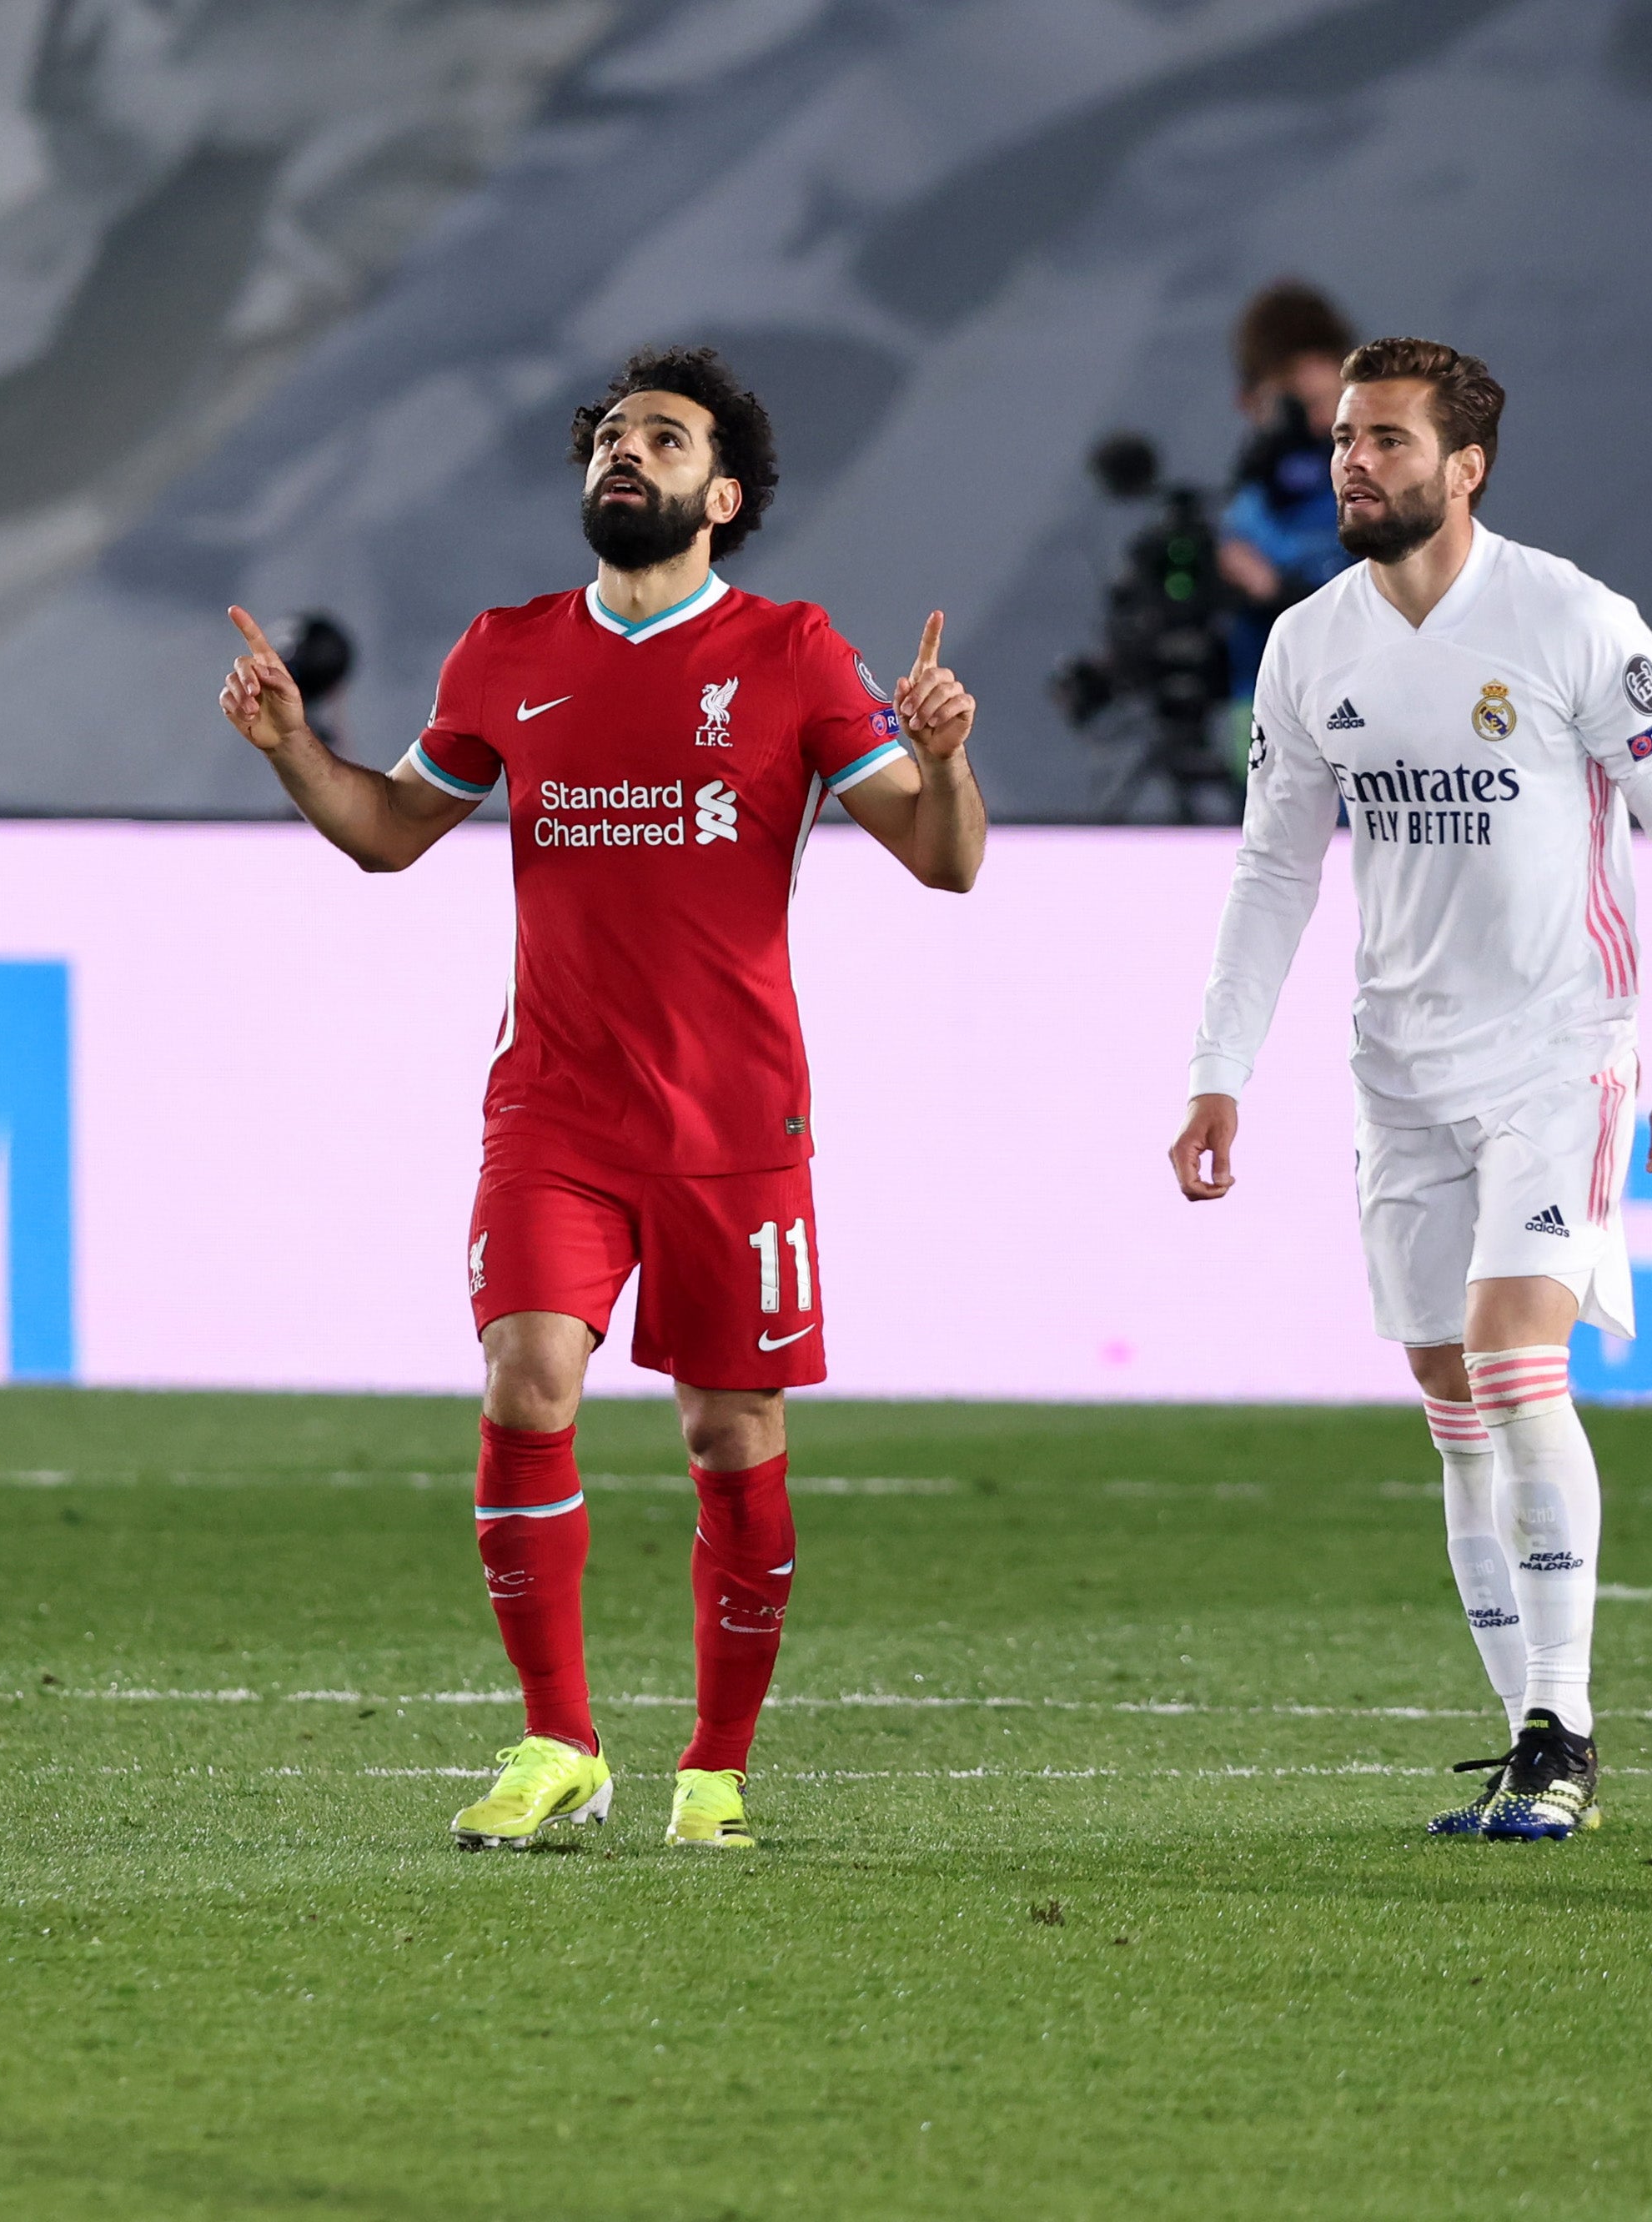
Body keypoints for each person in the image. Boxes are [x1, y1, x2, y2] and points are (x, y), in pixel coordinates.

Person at [215, 342, 985, 1853]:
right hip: (555, 1113)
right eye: (612, 436)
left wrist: (947, 763)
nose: (626, 454)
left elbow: (943, 857)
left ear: (724, 492)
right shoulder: (506, 651)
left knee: (728, 1433)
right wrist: (296, 747)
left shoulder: (793, 653)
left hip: (733, 1124)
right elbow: (389, 834)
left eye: (665, 438)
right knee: (526, 1381)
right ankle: (557, 1737)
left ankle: (714, 1766)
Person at [1167, 338, 1652, 1841]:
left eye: (1390, 442)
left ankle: (1570, 1721)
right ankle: (1521, 1738)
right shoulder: (1308, 646)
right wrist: (1220, 1070)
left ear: (1464, 466)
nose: (1355, 461)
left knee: (1508, 1355)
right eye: (1348, 437)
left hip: (1563, 1047)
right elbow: (1277, 864)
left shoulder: (1572, 620)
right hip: (1398, 1067)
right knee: (1446, 1395)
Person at [1214, 279, 1354, 696]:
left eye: (1332, 402)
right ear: (1248, 402)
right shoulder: (1243, 511)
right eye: (1297, 408)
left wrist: (1277, 589)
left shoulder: (1397, 494)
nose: (1317, 427)